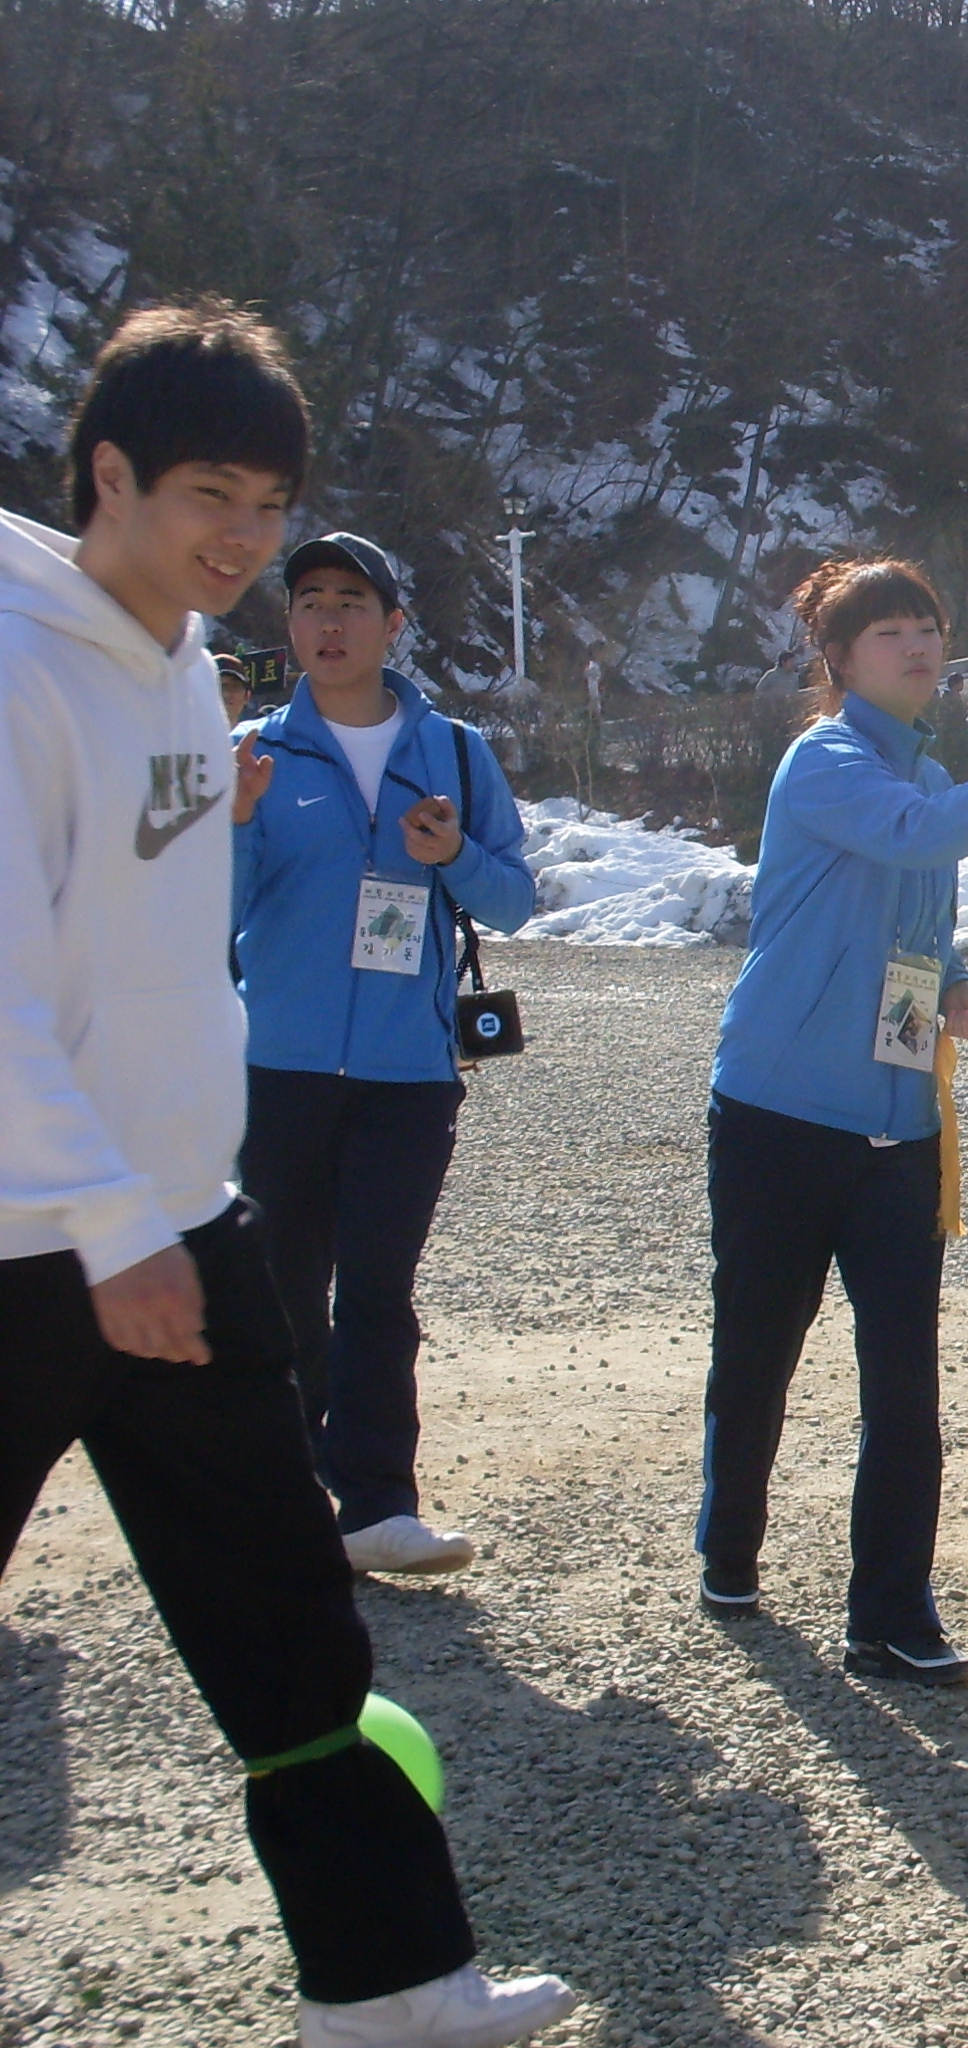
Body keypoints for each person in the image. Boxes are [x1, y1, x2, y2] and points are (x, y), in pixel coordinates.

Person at [0, 301, 575, 2047]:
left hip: (186, 1226)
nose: (243, 541)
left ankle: (391, 1984)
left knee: (291, 1626)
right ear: (108, 474)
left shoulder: (188, 665)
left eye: (267, 505)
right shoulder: (18, 666)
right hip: (33, 1244)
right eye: (210, 496)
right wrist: (111, 1224)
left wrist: (170, 1210)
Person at [701, 557, 968, 1683]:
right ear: (837, 659)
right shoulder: (826, 760)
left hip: (900, 1126)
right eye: (889, 630)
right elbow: (921, 835)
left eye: (928, 624)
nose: (919, 644)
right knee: (758, 1350)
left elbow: (918, 914)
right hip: (781, 1110)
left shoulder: (921, 769)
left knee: (905, 1382)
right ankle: (728, 1549)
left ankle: (890, 1610)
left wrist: (960, 982)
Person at [232, 533, 535, 1577]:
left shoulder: (454, 750)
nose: (329, 620)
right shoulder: (255, 752)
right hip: (278, 1066)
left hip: (408, 1075)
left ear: (393, 625)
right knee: (282, 1287)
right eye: (310, 600)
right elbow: (206, 917)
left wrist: (453, 855)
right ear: (289, 624)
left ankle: (375, 1504)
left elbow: (515, 897)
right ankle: (281, 1497)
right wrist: (234, 822)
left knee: (375, 1288)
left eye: (352, 601)